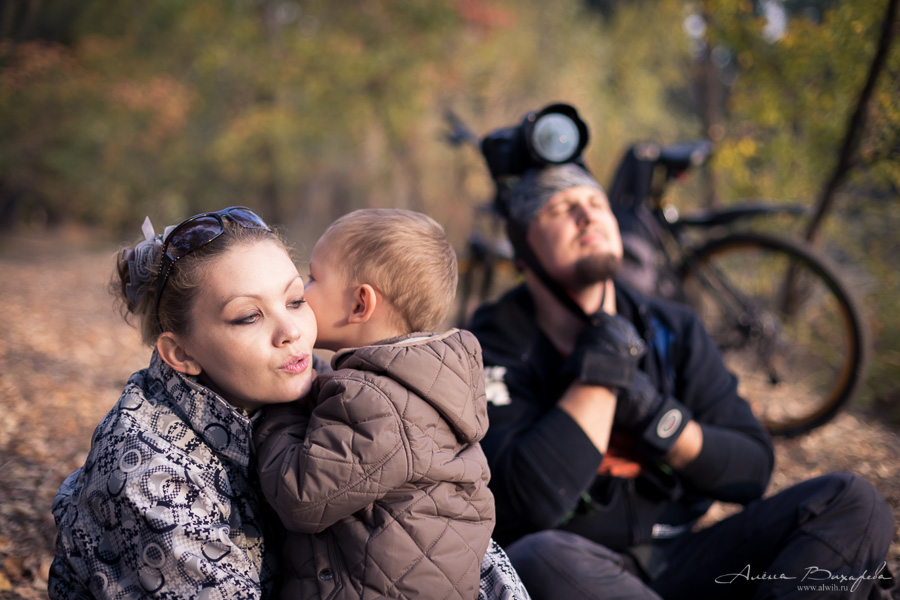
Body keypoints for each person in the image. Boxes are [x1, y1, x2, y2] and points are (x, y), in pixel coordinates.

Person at [466, 164, 896, 600]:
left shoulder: (671, 327)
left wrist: (658, 418)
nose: (588, 215)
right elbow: (529, 504)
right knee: (535, 558)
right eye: (560, 208)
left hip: (688, 557)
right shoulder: (491, 346)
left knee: (850, 501)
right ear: (523, 250)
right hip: (577, 566)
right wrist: (600, 374)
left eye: (597, 203)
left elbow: (751, 470)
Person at [253, 208, 530, 600]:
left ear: (360, 305)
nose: (301, 292)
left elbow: (300, 495)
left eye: (313, 278)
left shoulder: (375, 401)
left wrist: (281, 404)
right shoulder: (414, 386)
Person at [49, 207, 318, 598]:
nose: (292, 331)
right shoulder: (149, 475)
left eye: (295, 300)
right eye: (247, 317)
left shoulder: (303, 393)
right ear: (180, 353)